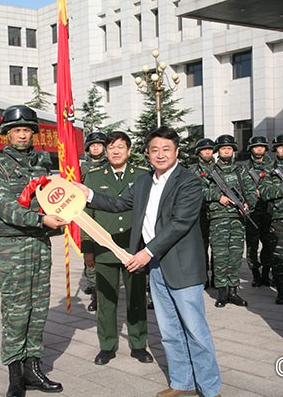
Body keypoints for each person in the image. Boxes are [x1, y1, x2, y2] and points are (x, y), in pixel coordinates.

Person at [78, 126, 222, 397]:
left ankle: (211, 388)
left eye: (166, 149)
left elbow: (180, 223)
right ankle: (183, 383)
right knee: (169, 330)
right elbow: (119, 204)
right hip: (157, 268)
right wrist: (87, 194)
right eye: (154, 149)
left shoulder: (188, 181)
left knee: (195, 330)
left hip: (182, 266)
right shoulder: (144, 182)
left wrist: (147, 252)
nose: (160, 154)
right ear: (146, 153)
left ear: (177, 152)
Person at [0, 105, 65, 397]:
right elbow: (4, 208)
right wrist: (40, 219)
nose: (22, 135)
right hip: (14, 249)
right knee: (16, 314)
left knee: (38, 310)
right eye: (16, 130)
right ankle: (15, 377)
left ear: (33, 133)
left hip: (39, 247)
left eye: (26, 130)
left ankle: (34, 369)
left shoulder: (41, 164)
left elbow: (51, 196)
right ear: (7, 135)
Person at [81, 131, 151, 365]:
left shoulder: (142, 175)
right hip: (104, 248)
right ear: (105, 151)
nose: (116, 151)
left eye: (121, 146)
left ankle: (139, 344)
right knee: (106, 300)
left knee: (136, 298)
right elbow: (86, 214)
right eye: (111, 147)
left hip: (134, 248)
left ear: (129, 150)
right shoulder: (93, 176)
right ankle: (107, 345)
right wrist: (87, 247)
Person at [204, 134, 257, 308]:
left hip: (237, 218)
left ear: (233, 150)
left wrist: (248, 203)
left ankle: (233, 291)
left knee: (234, 256)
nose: (226, 151)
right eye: (223, 148)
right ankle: (222, 292)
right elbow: (198, 190)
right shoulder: (211, 172)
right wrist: (218, 197)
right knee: (220, 256)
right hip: (218, 219)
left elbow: (251, 190)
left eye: (229, 148)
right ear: (218, 151)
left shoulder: (241, 171)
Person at [258, 133, 283, 304]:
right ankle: (281, 290)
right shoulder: (269, 170)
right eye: (281, 147)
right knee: (280, 256)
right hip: (279, 218)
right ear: (276, 150)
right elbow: (265, 193)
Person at [240, 136, 274, 287]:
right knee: (252, 245)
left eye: (262, 146)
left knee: (269, 244)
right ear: (251, 149)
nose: (259, 149)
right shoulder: (244, 167)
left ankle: (266, 274)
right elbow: (240, 187)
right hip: (252, 212)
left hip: (269, 210)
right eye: (256, 146)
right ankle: (255, 274)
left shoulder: (274, 166)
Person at [79, 131, 107, 309]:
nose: (96, 147)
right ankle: (96, 293)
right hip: (87, 213)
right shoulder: (81, 168)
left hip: (106, 212)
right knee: (90, 256)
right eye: (92, 145)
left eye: (99, 144)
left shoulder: (110, 164)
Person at [189, 138, 216, 289]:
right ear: (199, 152)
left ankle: (218, 279)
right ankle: (204, 276)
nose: (207, 152)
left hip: (218, 213)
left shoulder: (219, 167)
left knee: (218, 247)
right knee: (202, 246)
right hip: (200, 212)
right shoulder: (192, 170)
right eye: (204, 149)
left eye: (210, 149)